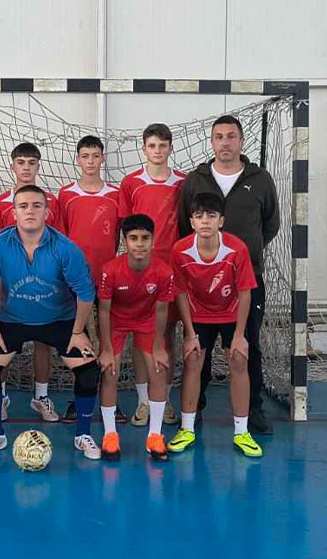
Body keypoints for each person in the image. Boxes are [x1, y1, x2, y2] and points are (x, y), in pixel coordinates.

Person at [0, 185, 101, 460]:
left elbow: (85, 292)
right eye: (23, 206)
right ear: (13, 213)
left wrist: (78, 331)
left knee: (89, 372)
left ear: (47, 212)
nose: (29, 211)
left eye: (36, 206)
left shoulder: (66, 248)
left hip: (60, 320)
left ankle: (83, 435)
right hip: (12, 320)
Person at [179, 115, 280, 435]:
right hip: (201, 284)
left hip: (246, 281)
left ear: (241, 141)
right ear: (212, 142)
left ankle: (252, 411)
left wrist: (241, 255)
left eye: (231, 136)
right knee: (199, 349)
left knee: (246, 346)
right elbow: (183, 224)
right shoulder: (196, 180)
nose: (225, 142)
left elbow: (271, 224)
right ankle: (194, 410)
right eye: (219, 136)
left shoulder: (260, 179)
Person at [170, 193, 262, 457]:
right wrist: (189, 333)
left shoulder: (237, 249)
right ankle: (187, 429)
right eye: (199, 216)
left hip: (231, 314)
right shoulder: (180, 251)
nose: (205, 221)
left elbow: (245, 292)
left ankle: (242, 432)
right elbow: (181, 293)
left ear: (221, 221)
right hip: (198, 315)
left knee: (239, 360)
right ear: (192, 221)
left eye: (211, 216)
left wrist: (240, 335)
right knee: (193, 360)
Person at [0, 142, 61, 424]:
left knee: (44, 339)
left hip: (44, 284)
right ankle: (2, 397)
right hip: (9, 286)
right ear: (12, 166)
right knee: (5, 339)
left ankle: (40, 396)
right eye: (21, 162)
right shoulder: (1, 203)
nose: (26, 167)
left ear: (39, 166)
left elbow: (58, 243)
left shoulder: (51, 202)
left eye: (31, 162)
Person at [119, 123, 186, 427]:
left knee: (166, 335)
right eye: (152, 145)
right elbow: (125, 229)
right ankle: (144, 401)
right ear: (143, 149)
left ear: (170, 148)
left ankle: (165, 399)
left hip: (172, 271)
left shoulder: (184, 183)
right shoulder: (131, 183)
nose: (157, 151)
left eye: (162, 145)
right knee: (140, 335)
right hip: (139, 272)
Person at [97, 214, 176, 462]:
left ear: (153, 240)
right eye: (133, 238)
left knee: (159, 369)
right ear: (125, 241)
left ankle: (154, 436)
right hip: (116, 322)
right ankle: (110, 435)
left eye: (145, 238)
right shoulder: (110, 270)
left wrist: (159, 346)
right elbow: (104, 311)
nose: (139, 244)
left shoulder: (164, 272)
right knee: (110, 371)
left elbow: (161, 311)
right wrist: (106, 349)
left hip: (147, 321)